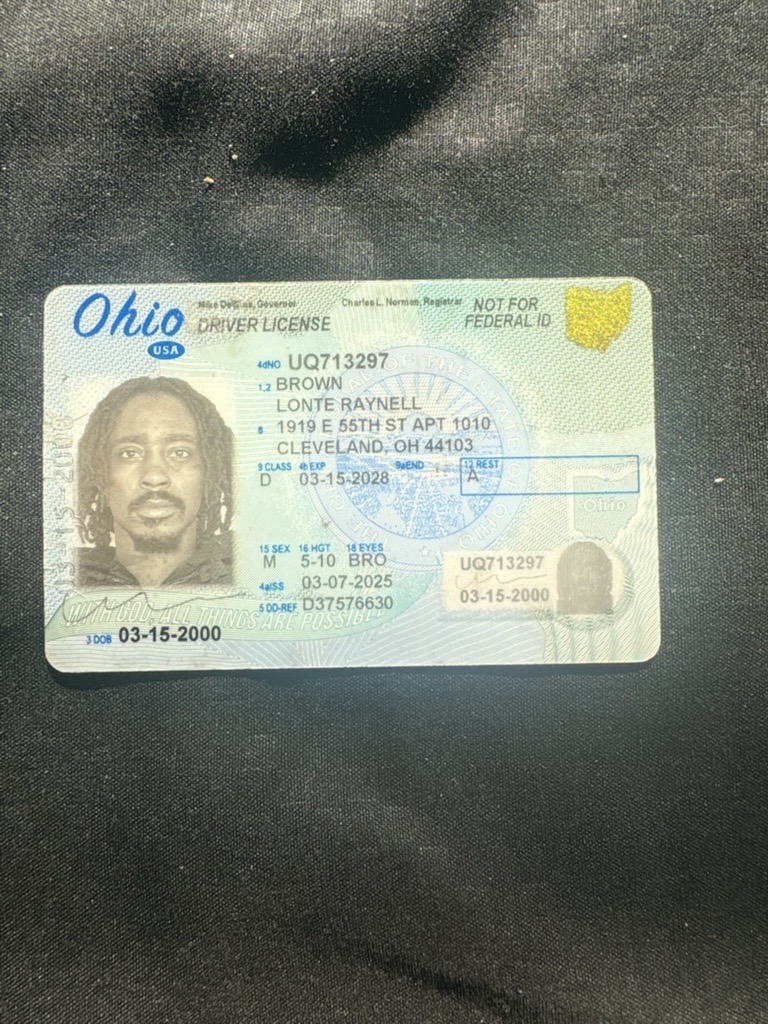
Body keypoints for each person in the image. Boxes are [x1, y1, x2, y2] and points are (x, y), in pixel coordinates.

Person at [76, 376, 233, 588]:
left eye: (179, 452)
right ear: (100, 472)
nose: (155, 477)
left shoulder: (251, 570)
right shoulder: (66, 575)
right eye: (130, 453)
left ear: (209, 471)